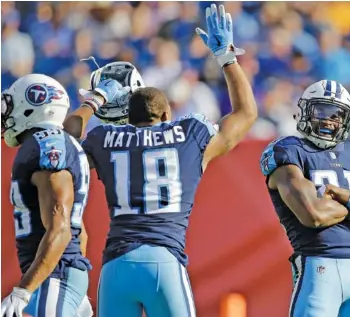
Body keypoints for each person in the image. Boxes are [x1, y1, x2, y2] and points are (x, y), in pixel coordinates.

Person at [62, 3, 257, 317]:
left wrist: (93, 101)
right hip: (165, 261)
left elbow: (63, 147)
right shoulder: (189, 136)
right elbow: (246, 114)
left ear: (126, 115)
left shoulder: (104, 140)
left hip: (117, 265)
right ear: (167, 115)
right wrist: (227, 57)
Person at [260, 79, 350, 317]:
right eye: (322, 110)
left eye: (337, 114)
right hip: (318, 267)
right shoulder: (289, 151)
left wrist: (343, 195)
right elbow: (313, 215)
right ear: (305, 111)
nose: (329, 120)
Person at [0, 74, 126, 317]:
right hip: (61, 271)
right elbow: (80, 233)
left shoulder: (43, 147)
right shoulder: (54, 141)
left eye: (11, 104)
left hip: (54, 275)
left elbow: (60, 229)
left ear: (30, 106)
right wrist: (96, 100)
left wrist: (23, 291)